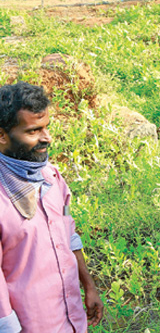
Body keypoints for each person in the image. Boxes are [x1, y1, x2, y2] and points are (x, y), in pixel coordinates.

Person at [0, 82, 104, 332]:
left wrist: (88, 285)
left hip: (71, 318)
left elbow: (69, 232)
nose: (47, 138)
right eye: (34, 131)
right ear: (2, 136)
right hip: (31, 323)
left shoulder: (53, 180)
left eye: (47, 127)